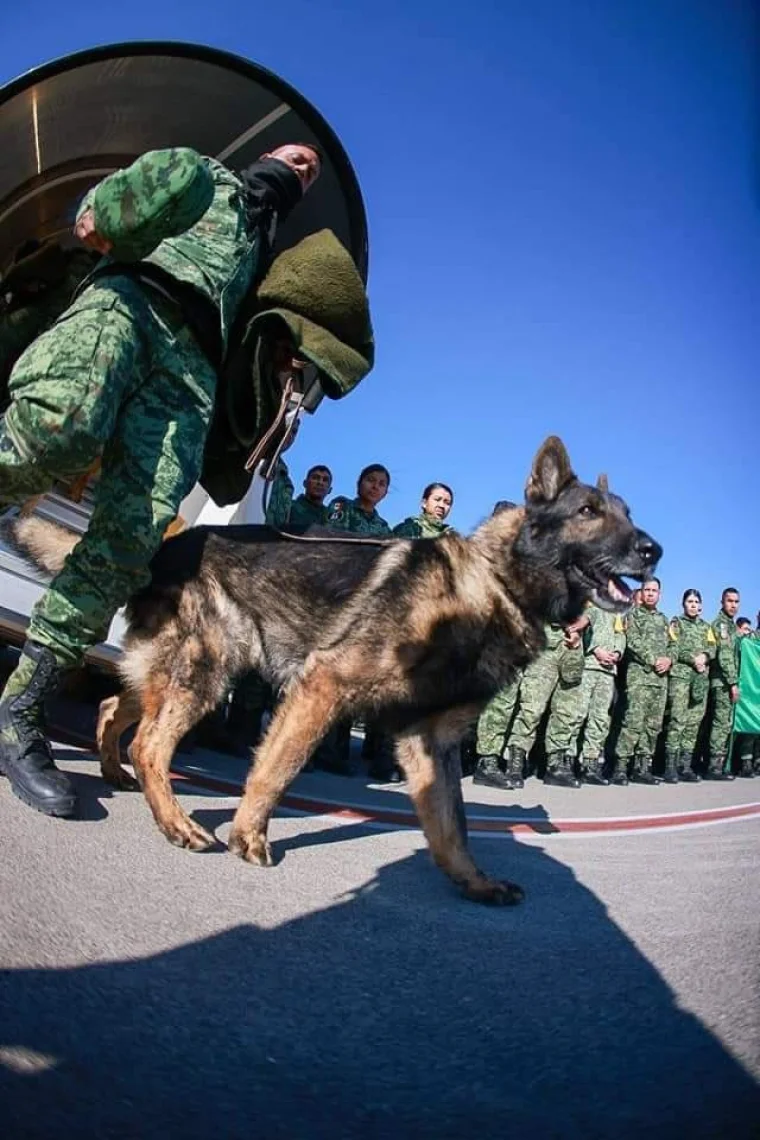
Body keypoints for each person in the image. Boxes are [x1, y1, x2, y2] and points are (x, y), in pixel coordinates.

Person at [0, 141, 372, 818]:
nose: (304, 169)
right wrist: (112, 219)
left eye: (312, 170)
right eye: (297, 156)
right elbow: (98, 219)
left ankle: (19, 710)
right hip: (131, 305)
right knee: (54, 435)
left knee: (127, 542)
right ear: (265, 154)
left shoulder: (264, 267)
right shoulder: (199, 175)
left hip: (189, 378)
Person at [500, 619, 587, 790]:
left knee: (566, 711)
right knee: (532, 709)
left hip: (573, 647)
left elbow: (597, 603)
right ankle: (515, 764)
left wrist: (585, 620)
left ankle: (555, 766)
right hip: (547, 645)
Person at [612, 577, 672, 785]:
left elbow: (674, 645)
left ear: (659, 595)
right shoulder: (633, 615)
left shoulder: (665, 620)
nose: (650, 594)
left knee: (653, 725)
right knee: (633, 722)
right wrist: (653, 659)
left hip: (660, 679)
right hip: (639, 677)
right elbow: (632, 642)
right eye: (647, 590)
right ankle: (621, 767)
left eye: (654, 591)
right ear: (642, 592)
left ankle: (642, 767)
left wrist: (668, 659)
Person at [563, 602, 626, 786]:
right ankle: (568, 761)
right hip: (589, 666)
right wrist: (595, 649)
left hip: (608, 671)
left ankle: (590, 765)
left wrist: (616, 652)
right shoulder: (589, 604)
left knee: (599, 719)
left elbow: (620, 635)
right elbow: (581, 626)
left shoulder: (616, 612)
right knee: (578, 715)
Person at [661, 590, 716, 783]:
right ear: (683, 604)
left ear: (701, 605)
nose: (693, 605)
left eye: (696, 602)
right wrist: (693, 658)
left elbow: (712, 646)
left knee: (694, 723)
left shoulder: (706, 627)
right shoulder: (677, 623)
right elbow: (673, 645)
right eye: (689, 601)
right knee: (677, 720)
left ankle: (685, 766)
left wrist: (705, 657)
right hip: (681, 678)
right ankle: (670, 767)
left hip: (700, 679)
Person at [707, 587, 741, 781]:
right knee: (721, 724)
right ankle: (714, 766)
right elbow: (725, 656)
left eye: (736, 602)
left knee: (726, 723)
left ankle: (721, 764)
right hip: (723, 683)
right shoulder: (722, 625)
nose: (733, 605)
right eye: (729, 601)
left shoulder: (732, 625)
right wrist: (733, 683)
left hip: (728, 682)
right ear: (722, 602)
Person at [327, 464, 392, 535]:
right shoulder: (340, 504)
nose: (375, 486)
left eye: (381, 484)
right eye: (370, 480)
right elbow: (330, 534)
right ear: (359, 483)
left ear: (385, 493)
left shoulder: (384, 527)